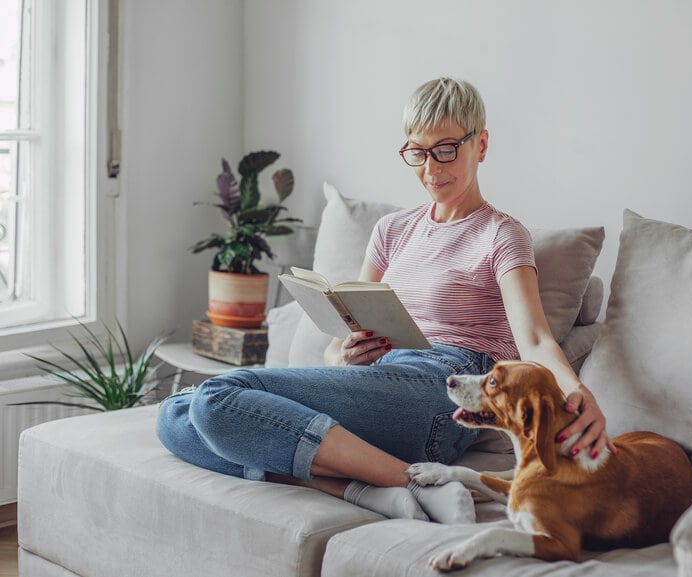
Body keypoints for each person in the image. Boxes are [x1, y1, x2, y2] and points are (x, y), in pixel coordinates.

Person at [157, 77, 615, 524]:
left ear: (482, 145)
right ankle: (370, 488)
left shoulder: (502, 234)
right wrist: (346, 355)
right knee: (176, 413)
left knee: (216, 398)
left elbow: (534, 339)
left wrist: (578, 393)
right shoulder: (391, 231)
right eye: (417, 153)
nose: (431, 169)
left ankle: (422, 481)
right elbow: (343, 335)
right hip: (377, 384)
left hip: (447, 388)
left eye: (446, 150)